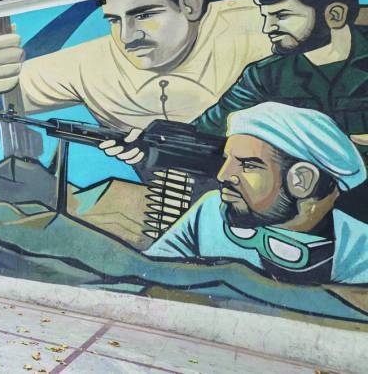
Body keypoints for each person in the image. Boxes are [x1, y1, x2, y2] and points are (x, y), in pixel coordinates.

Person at [0, 0, 269, 135]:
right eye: (115, 20)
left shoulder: (262, 25)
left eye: (144, 15)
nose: (126, 36)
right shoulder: (90, 66)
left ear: (190, 5)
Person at [145, 102, 368, 284]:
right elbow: (151, 275)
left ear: (302, 180)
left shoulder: (360, 251)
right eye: (227, 160)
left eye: (248, 165)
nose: (223, 175)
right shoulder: (210, 212)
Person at [194, 0, 367, 146]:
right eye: (266, 17)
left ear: (334, 15)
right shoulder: (264, 75)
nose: (268, 28)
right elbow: (207, 130)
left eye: (282, 15)